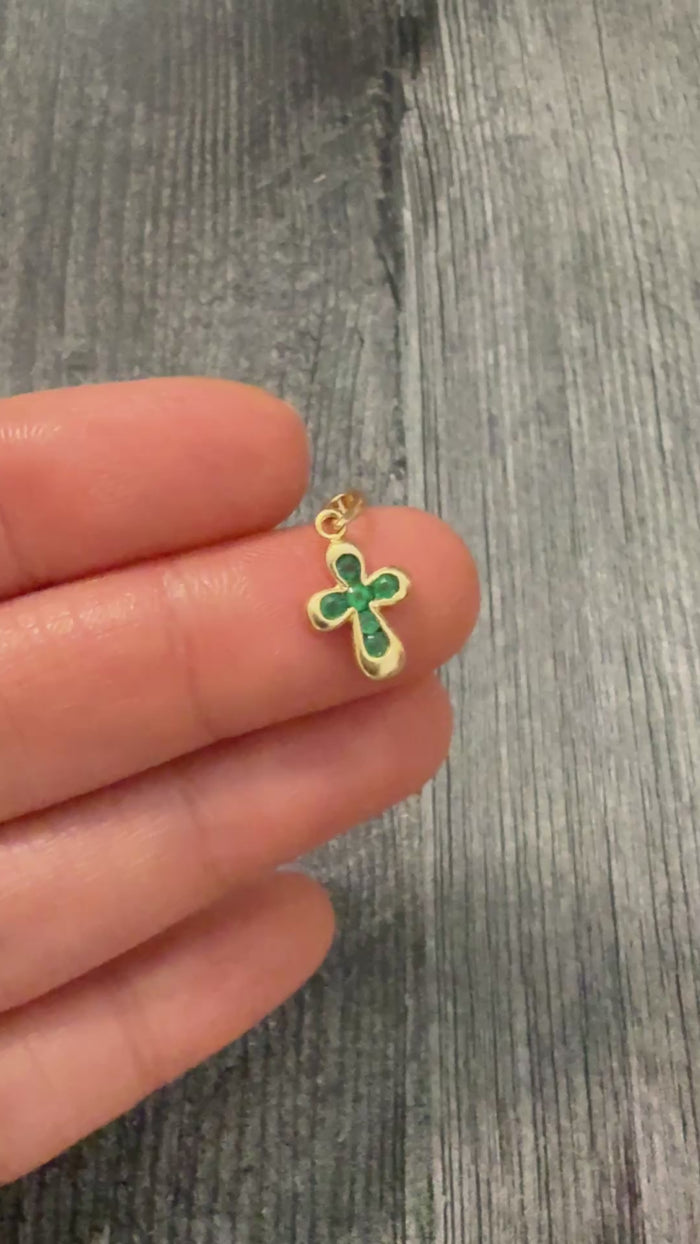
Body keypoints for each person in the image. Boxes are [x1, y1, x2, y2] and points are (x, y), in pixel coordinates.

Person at [0, 377, 479, 1182]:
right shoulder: (349, 593)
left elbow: (370, 593)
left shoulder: (363, 588)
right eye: (360, 592)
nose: (363, 594)